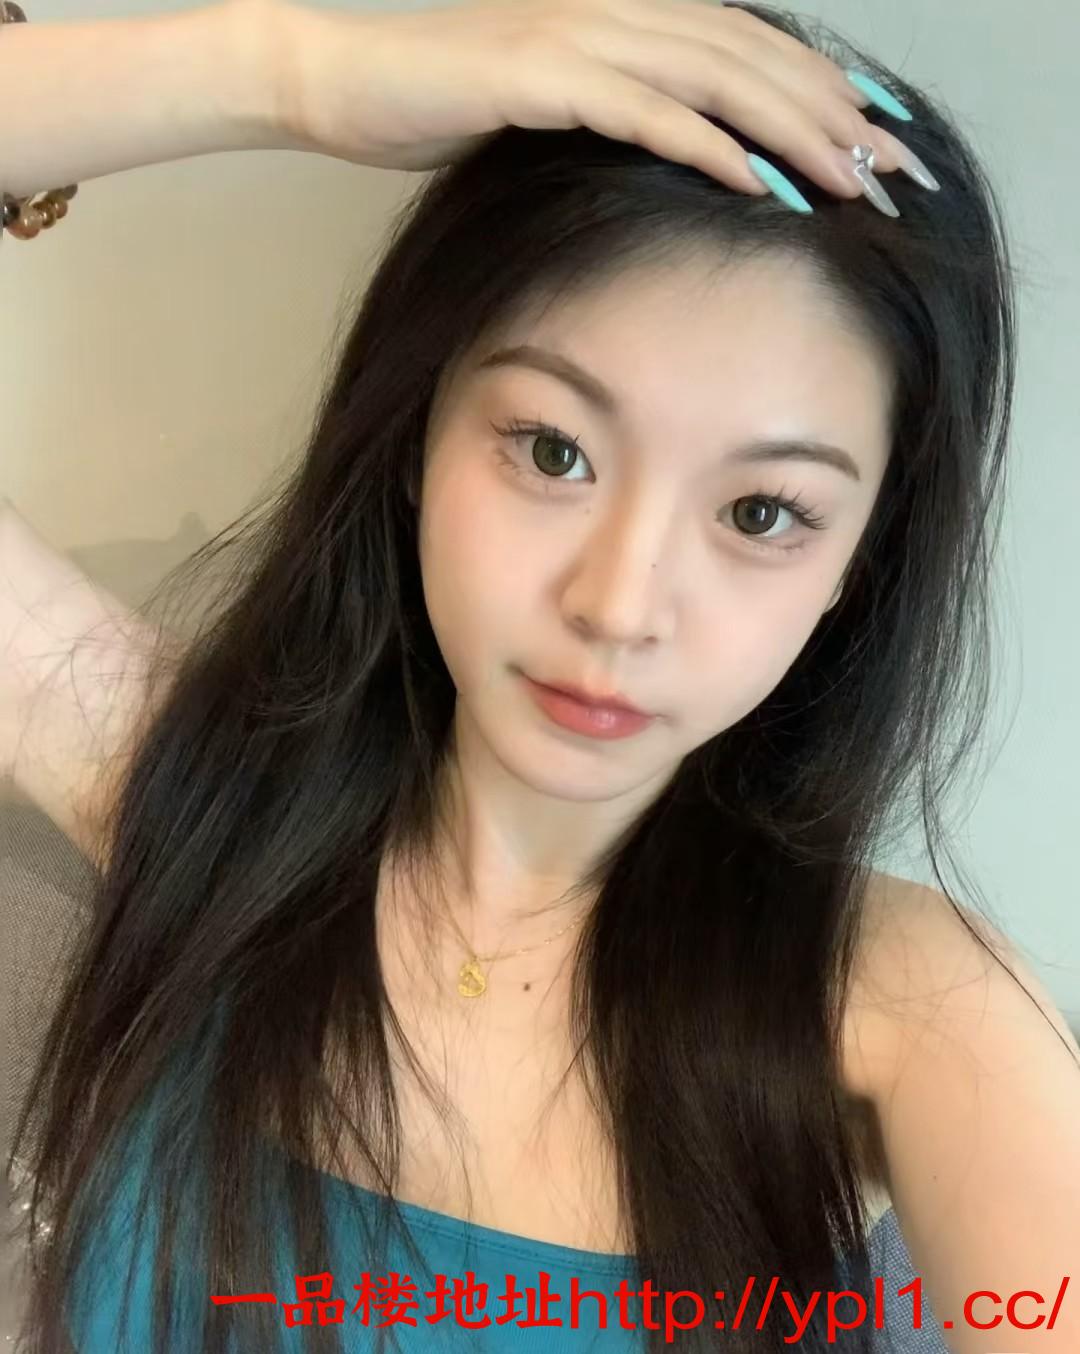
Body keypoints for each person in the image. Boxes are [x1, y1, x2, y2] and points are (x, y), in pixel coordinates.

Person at [2, 0, 1078, 1350]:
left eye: (761, 514)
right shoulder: (206, 811)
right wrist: (297, 70)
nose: (618, 606)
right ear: (416, 435)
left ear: (857, 565)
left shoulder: (908, 1010)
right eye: (553, 450)